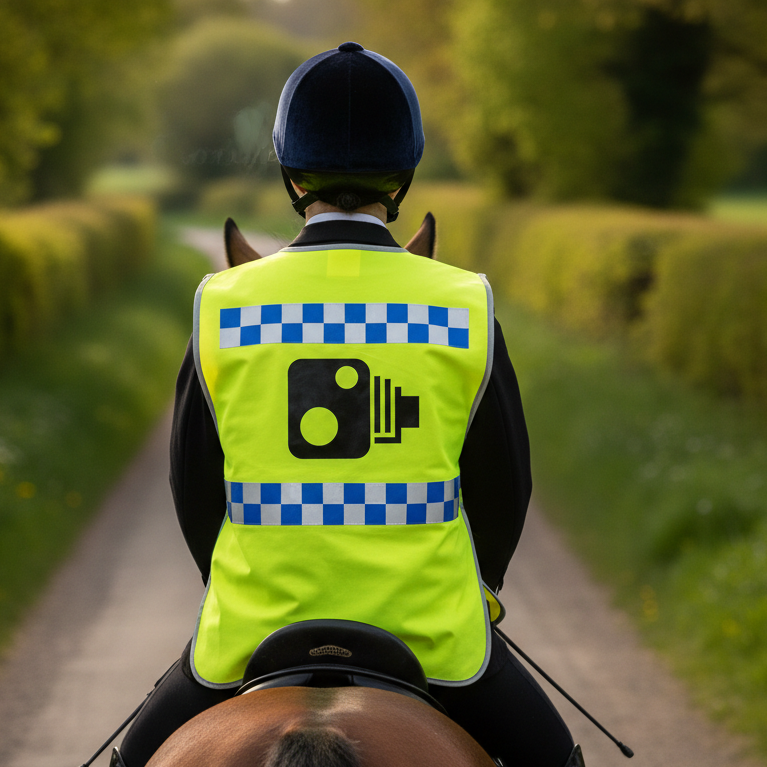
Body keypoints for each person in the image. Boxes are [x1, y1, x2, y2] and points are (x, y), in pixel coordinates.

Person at [115, 42, 582, 767]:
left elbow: (194, 490)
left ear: (291, 173)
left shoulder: (223, 305)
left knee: (133, 759)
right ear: (402, 175)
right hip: (434, 635)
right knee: (555, 760)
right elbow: (503, 488)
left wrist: (237, 581)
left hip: (253, 627)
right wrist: (478, 591)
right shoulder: (461, 303)